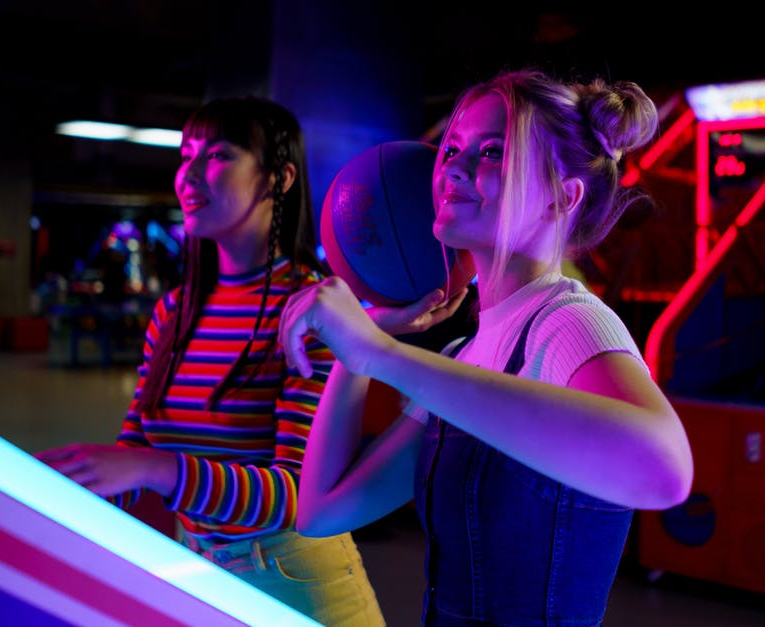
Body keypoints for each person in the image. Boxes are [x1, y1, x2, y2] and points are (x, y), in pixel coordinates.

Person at [280, 68, 695, 626]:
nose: (454, 165)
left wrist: (379, 355)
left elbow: (666, 470)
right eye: (452, 147)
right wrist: (366, 344)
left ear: (560, 197)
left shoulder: (569, 322)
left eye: (493, 151)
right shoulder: (465, 355)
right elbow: (324, 510)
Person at [34, 95, 466, 626]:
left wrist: (154, 468)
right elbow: (135, 451)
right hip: (195, 574)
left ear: (279, 179)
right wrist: (73, 486)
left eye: (216, 155)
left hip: (293, 582)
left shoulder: (315, 309)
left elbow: (295, 494)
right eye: (185, 155)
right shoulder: (175, 311)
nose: (189, 174)